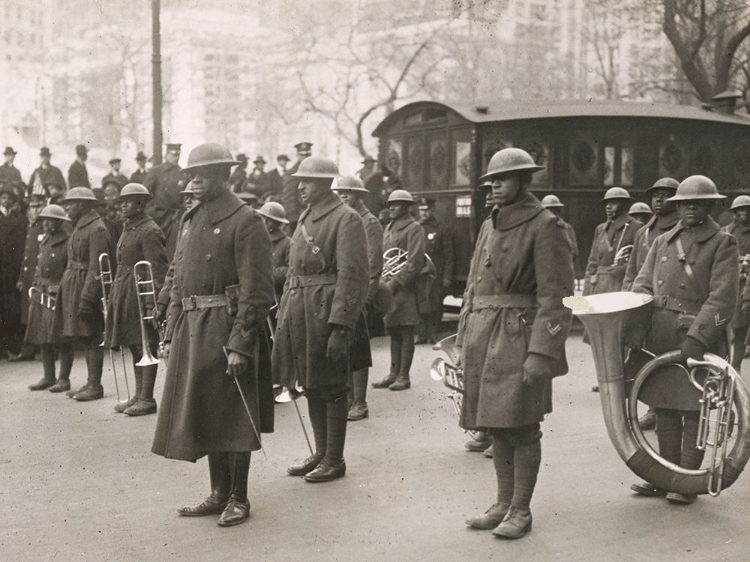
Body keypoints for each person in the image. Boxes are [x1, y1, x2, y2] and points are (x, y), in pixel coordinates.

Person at [152, 143, 274, 528]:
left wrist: (240, 342)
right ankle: (219, 492)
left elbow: (257, 291)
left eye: (202, 173)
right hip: (192, 327)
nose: (193, 179)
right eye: (191, 173)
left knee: (234, 412)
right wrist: (170, 333)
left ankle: (239, 497)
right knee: (206, 410)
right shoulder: (190, 220)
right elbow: (177, 281)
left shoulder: (246, 220)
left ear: (224, 175)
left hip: (226, 327)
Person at [460, 148, 573, 539]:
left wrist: (542, 352)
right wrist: (464, 338)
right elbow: (473, 287)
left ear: (525, 181)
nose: (493, 185)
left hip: (520, 337)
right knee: (496, 426)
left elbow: (556, 297)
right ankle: (502, 502)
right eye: (490, 180)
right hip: (484, 335)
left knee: (523, 428)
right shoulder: (489, 224)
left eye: (502, 179)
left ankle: (521, 510)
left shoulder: (546, 226)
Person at [628, 175, 738, 505]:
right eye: (685, 203)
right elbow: (642, 285)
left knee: (694, 410)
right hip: (659, 335)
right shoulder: (663, 241)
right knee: (663, 408)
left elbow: (723, 298)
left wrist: (698, 339)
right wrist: (635, 328)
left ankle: (687, 481)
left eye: (698, 203)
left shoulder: (723, 242)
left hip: (696, 338)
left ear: (710, 206)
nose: (691, 208)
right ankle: (664, 475)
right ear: (678, 207)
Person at [273, 156, 368, 482]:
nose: (300, 186)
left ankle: (335, 458)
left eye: (308, 181)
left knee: (333, 386)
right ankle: (321, 451)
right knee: (310, 384)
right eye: (299, 180)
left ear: (326, 183)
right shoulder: (307, 216)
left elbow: (352, 275)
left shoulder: (346, 218)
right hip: (300, 311)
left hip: (325, 313)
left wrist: (341, 326)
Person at [103, 183, 168, 416]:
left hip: (140, 293)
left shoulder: (150, 230)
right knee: (134, 343)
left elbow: (158, 272)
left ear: (141, 203)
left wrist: (153, 304)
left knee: (145, 343)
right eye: (121, 201)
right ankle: (138, 395)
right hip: (125, 290)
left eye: (128, 201)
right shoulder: (129, 227)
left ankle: (147, 398)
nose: (123, 205)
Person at [622, 177, 680, 430]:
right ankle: (654, 408)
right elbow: (633, 271)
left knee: (669, 358)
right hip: (643, 304)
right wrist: (627, 298)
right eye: (656, 195)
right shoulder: (643, 231)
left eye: (666, 194)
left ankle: (670, 409)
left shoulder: (681, 228)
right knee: (645, 356)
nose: (659, 199)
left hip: (669, 306)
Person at [333, 175, 384, 421]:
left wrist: (366, 300)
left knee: (358, 349)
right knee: (346, 348)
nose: (343, 196)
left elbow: (374, 266)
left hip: (360, 294)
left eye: (348, 192)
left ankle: (360, 403)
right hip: (345, 293)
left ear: (359, 194)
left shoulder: (369, 222)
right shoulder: (345, 218)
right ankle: (350, 399)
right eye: (340, 192)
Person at [52, 187, 110, 398]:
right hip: (74, 285)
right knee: (85, 336)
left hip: (85, 286)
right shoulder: (79, 227)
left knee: (92, 334)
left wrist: (87, 297)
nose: (67, 207)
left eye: (72, 203)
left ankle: (95, 386)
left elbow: (97, 267)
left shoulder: (97, 229)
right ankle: (89, 383)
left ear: (84, 205)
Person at [372, 189, 425, 391]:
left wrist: (394, 283)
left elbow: (415, 263)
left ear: (406, 207)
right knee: (393, 330)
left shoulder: (414, 228)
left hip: (404, 288)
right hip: (388, 285)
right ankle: (394, 373)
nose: (391, 208)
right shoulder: (389, 228)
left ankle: (404, 375)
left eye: (396, 204)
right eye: (390, 204)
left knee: (406, 330)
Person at [25, 205, 76, 391]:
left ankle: (64, 379)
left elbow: (69, 270)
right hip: (41, 292)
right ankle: (48, 376)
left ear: (60, 221)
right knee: (42, 335)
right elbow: (39, 267)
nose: (45, 223)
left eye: (50, 219)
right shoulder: (45, 240)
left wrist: (61, 289)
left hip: (58, 293)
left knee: (62, 337)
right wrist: (35, 286)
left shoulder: (68, 241)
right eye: (43, 219)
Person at [584, 187, 643, 297]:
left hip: (621, 286)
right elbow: (592, 265)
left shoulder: (636, 227)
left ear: (624, 205)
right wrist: (586, 295)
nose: (608, 207)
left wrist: (623, 268)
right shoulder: (600, 229)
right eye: (606, 203)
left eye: (614, 203)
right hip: (598, 287)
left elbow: (640, 261)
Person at [13, 187, 49, 362]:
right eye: (33, 206)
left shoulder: (48, 224)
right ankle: (29, 349)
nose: (35, 210)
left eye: (39, 205)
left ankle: (49, 350)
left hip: (42, 274)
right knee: (29, 312)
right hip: (29, 276)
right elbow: (26, 255)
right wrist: (21, 277)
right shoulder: (31, 225)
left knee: (43, 312)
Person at [416, 197, 454, 345]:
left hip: (435, 274)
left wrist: (447, 277)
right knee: (420, 303)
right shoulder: (416, 227)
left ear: (432, 210)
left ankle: (433, 334)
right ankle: (421, 335)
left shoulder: (441, 228)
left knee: (435, 304)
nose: (423, 213)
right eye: (421, 210)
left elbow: (449, 255)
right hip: (420, 274)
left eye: (426, 210)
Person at [0, 184, 28, 359]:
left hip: (12, 270)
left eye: (9, 198)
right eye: (3, 198)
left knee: (12, 310)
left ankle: (12, 348)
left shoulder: (19, 219)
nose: (6, 200)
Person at [144, 143, 184, 260]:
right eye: (173, 154)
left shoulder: (183, 173)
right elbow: (145, 193)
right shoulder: (156, 171)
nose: (176, 157)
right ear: (166, 155)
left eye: (178, 155)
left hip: (175, 218)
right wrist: (151, 211)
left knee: (173, 250)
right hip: (158, 217)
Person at [724, 195, 750, 372]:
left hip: (748, 284)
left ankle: (736, 363)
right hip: (730, 280)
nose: (745, 213)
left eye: (747, 210)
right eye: (740, 210)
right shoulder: (726, 231)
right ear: (733, 213)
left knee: (742, 325)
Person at [256, 201, 290, 302]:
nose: (265, 222)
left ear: (278, 222)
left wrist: (269, 274)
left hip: (277, 296)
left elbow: (291, 270)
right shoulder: (255, 240)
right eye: (263, 217)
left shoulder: (287, 243)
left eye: (270, 220)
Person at [281, 142, 313, 232]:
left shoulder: (314, 171)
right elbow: (288, 198)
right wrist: (293, 220)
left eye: (308, 154)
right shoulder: (292, 173)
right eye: (303, 155)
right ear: (297, 155)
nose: (306, 157)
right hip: (300, 216)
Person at [540, 194, 578, 263]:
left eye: (553, 209)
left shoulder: (566, 228)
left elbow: (574, 252)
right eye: (547, 209)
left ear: (558, 210)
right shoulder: (538, 228)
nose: (549, 212)